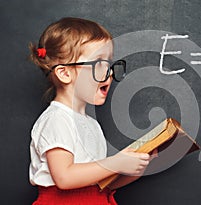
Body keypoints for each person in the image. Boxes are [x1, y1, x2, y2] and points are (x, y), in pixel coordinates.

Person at [29, 17, 155, 205]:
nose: (109, 72)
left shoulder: (92, 124)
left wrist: (134, 168)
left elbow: (101, 184)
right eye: (98, 64)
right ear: (65, 73)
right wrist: (116, 162)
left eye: (108, 63)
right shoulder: (56, 119)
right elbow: (65, 178)